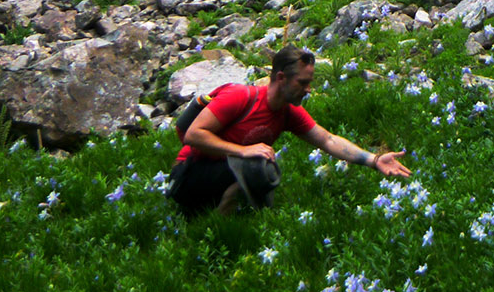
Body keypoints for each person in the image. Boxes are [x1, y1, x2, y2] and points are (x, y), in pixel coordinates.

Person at [169, 46, 411, 217]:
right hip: (188, 174)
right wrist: (243, 151)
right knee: (255, 163)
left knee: (260, 164)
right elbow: (194, 134)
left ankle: (234, 221)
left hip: (223, 174)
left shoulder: (287, 112)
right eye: (302, 83)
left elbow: (327, 139)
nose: (308, 90)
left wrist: (374, 160)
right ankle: (219, 230)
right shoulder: (240, 96)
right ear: (281, 78)